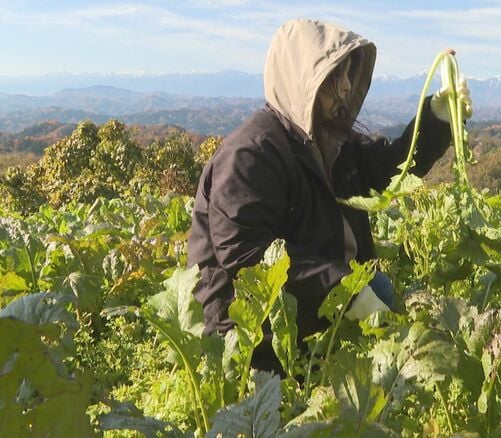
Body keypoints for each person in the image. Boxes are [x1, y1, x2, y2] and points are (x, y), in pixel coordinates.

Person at [187, 18, 471, 374]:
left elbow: (387, 168)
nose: (347, 88)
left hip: (316, 303)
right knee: (370, 299)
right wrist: (345, 289)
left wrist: (437, 120)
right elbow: (247, 255)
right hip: (253, 334)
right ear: (305, 81)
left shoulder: (331, 141)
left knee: (378, 289)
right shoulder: (251, 155)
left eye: (350, 76)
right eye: (336, 79)